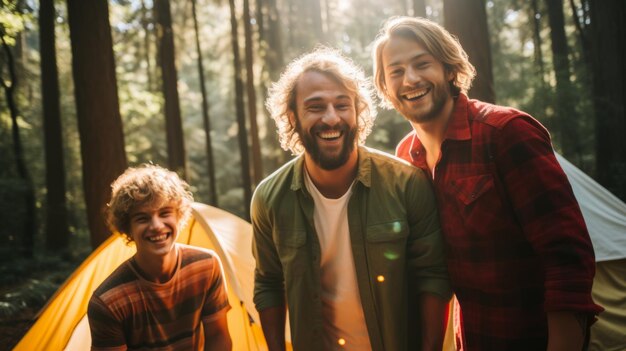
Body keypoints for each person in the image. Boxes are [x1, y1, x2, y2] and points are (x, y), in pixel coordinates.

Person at [371, 16, 602, 351]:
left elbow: (567, 258)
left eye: (423, 64)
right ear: (386, 88)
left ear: (450, 70)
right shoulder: (407, 157)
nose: (410, 79)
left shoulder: (506, 134)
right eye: (396, 71)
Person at [251, 47, 452, 351]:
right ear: (292, 116)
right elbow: (268, 284)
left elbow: (433, 279)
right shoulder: (269, 198)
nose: (331, 118)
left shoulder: (407, 184)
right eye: (315, 107)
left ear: (358, 111)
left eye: (342, 105)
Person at [87, 165, 232, 350]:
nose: (156, 225)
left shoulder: (207, 266)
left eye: (164, 213)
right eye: (142, 218)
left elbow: (218, 336)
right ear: (127, 228)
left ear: (179, 216)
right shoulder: (108, 302)